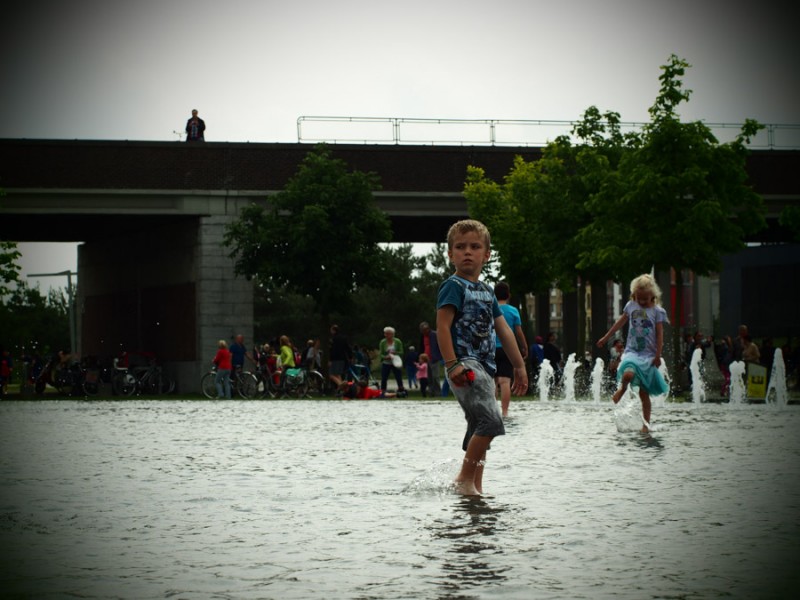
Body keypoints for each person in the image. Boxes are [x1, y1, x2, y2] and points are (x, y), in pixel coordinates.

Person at [436, 219, 528, 496]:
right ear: (450, 254)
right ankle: (464, 479)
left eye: (475, 247)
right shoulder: (453, 286)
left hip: (486, 367)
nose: (467, 252)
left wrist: (519, 365)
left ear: (486, 255)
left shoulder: (487, 292)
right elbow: (441, 326)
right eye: (460, 247)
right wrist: (452, 364)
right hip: (464, 364)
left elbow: (504, 330)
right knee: (491, 421)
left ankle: (476, 484)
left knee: (481, 428)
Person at [596, 273, 669, 433]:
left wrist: (658, 355)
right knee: (628, 374)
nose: (642, 302)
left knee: (644, 394)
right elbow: (619, 323)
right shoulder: (631, 306)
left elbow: (660, 335)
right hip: (632, 352)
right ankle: (622, 389)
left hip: (648, 356)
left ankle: (646, 425)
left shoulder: (657, 312)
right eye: (639, 298)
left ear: (653, 296)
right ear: (634, 295)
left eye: (646, 299)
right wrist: (606, 337)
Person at [493, 281, 528, 417]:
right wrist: (524, 347)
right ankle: (505, 412)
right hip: (508, 349)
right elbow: (518, 332)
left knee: (493, 381)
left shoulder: (490, 309)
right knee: (505, 381)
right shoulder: (513, 311)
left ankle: (493, 412)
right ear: (508, 295)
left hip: (491, 349)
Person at [379, 326, 406, 394]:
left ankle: (401, 390)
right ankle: (383, 391)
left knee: (398, 377)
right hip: (386, 362)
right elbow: (381, 354)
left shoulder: (397, 341)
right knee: (384, 377)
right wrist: (385, 357)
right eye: (385, 333)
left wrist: (395, 353)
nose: (386, 335)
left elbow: (401, 352)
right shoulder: (382, 342)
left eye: (388, 333)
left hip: (395, 362)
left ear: (392, 334)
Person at [419, 321, 443, 396]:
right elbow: (421, 347)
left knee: (435, 377)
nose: (424, 331)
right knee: (429, 377)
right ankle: (431, 392)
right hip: (425, 359)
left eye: (426, 329)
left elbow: (440, 345)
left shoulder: (434, 334)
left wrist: (439, 356)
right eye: (423, 330)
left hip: (434, 358)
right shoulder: (423, 336)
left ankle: (438, 393)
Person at [338, 379, 406, 400]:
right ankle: (397, 394)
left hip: (378, 394)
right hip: (376, 394)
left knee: (388, 395)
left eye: (358, 387)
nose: (357, 388)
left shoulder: (367, 390)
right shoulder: (354, 389)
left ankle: (399, 393)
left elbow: (365, 399)